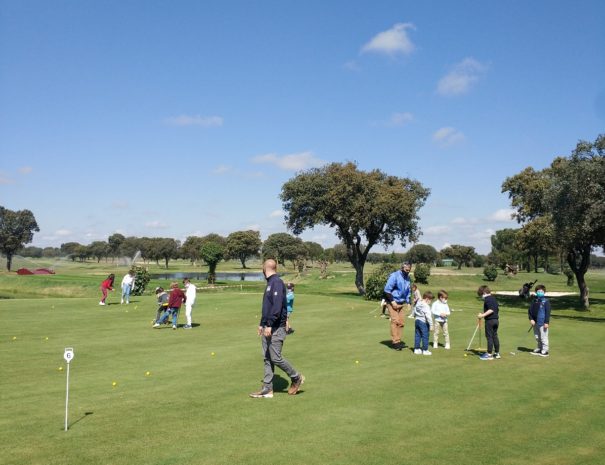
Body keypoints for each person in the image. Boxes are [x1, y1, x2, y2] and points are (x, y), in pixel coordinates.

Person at [249, 259, 304, 398]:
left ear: (264, 268)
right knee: (267, 358)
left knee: (275, 358)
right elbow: (267, 307)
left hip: (276, 328)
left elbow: (277, 307)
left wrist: (270, 324)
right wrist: (262, 324)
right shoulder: (269, 284)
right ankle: (267, 389)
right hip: (268, 327)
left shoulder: (277, 282)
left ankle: (296, 377)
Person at [383, 261, 412, 350]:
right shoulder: (394, 276)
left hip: (401, 302)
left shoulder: (408, 278)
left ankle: (398, 340)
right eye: (406, 270)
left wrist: (408, 302)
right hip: (392, 301)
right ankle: (395, 342)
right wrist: (392, 301)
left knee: (401, 322)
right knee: (395, 321)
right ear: (402, 268)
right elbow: (387, 290)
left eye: (409, 270)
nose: (407, 271)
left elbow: (408, 291)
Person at [477, 285, 501, 360]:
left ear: (484, 292)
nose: (481, 297)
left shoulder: (488, 299)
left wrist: (482, 315)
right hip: (496, 320)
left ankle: (489, 354)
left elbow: (491, 310)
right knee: (494, 336)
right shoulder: (493, 298)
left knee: (489, 337)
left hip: (490, 321)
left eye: (481, 294)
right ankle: (497, 353)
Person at [528, 284, 551, 357]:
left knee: (543, 337)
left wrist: (546, 322)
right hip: (535, 322)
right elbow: (530, 311)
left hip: (542, 322)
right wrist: (531, 319)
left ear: (544, 292)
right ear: (536, 292)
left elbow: (547, 312)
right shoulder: (534, 301)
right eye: (538, 291)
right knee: (537, 336)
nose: (539, 292)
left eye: (541, 291)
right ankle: (539, 348)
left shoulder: (546, 301)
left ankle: (545, 350)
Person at [413, 291, 434, 355]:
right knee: (425, 336)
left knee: (417, 335)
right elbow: (428, 316)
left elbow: (414, 310)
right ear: (427, 299)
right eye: (430, 300)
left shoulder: (418, 303)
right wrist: (431, 325)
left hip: (417, 321)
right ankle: (425, 350)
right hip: (423, 322)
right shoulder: (426, 306)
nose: (431, 302)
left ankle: (416, 349)